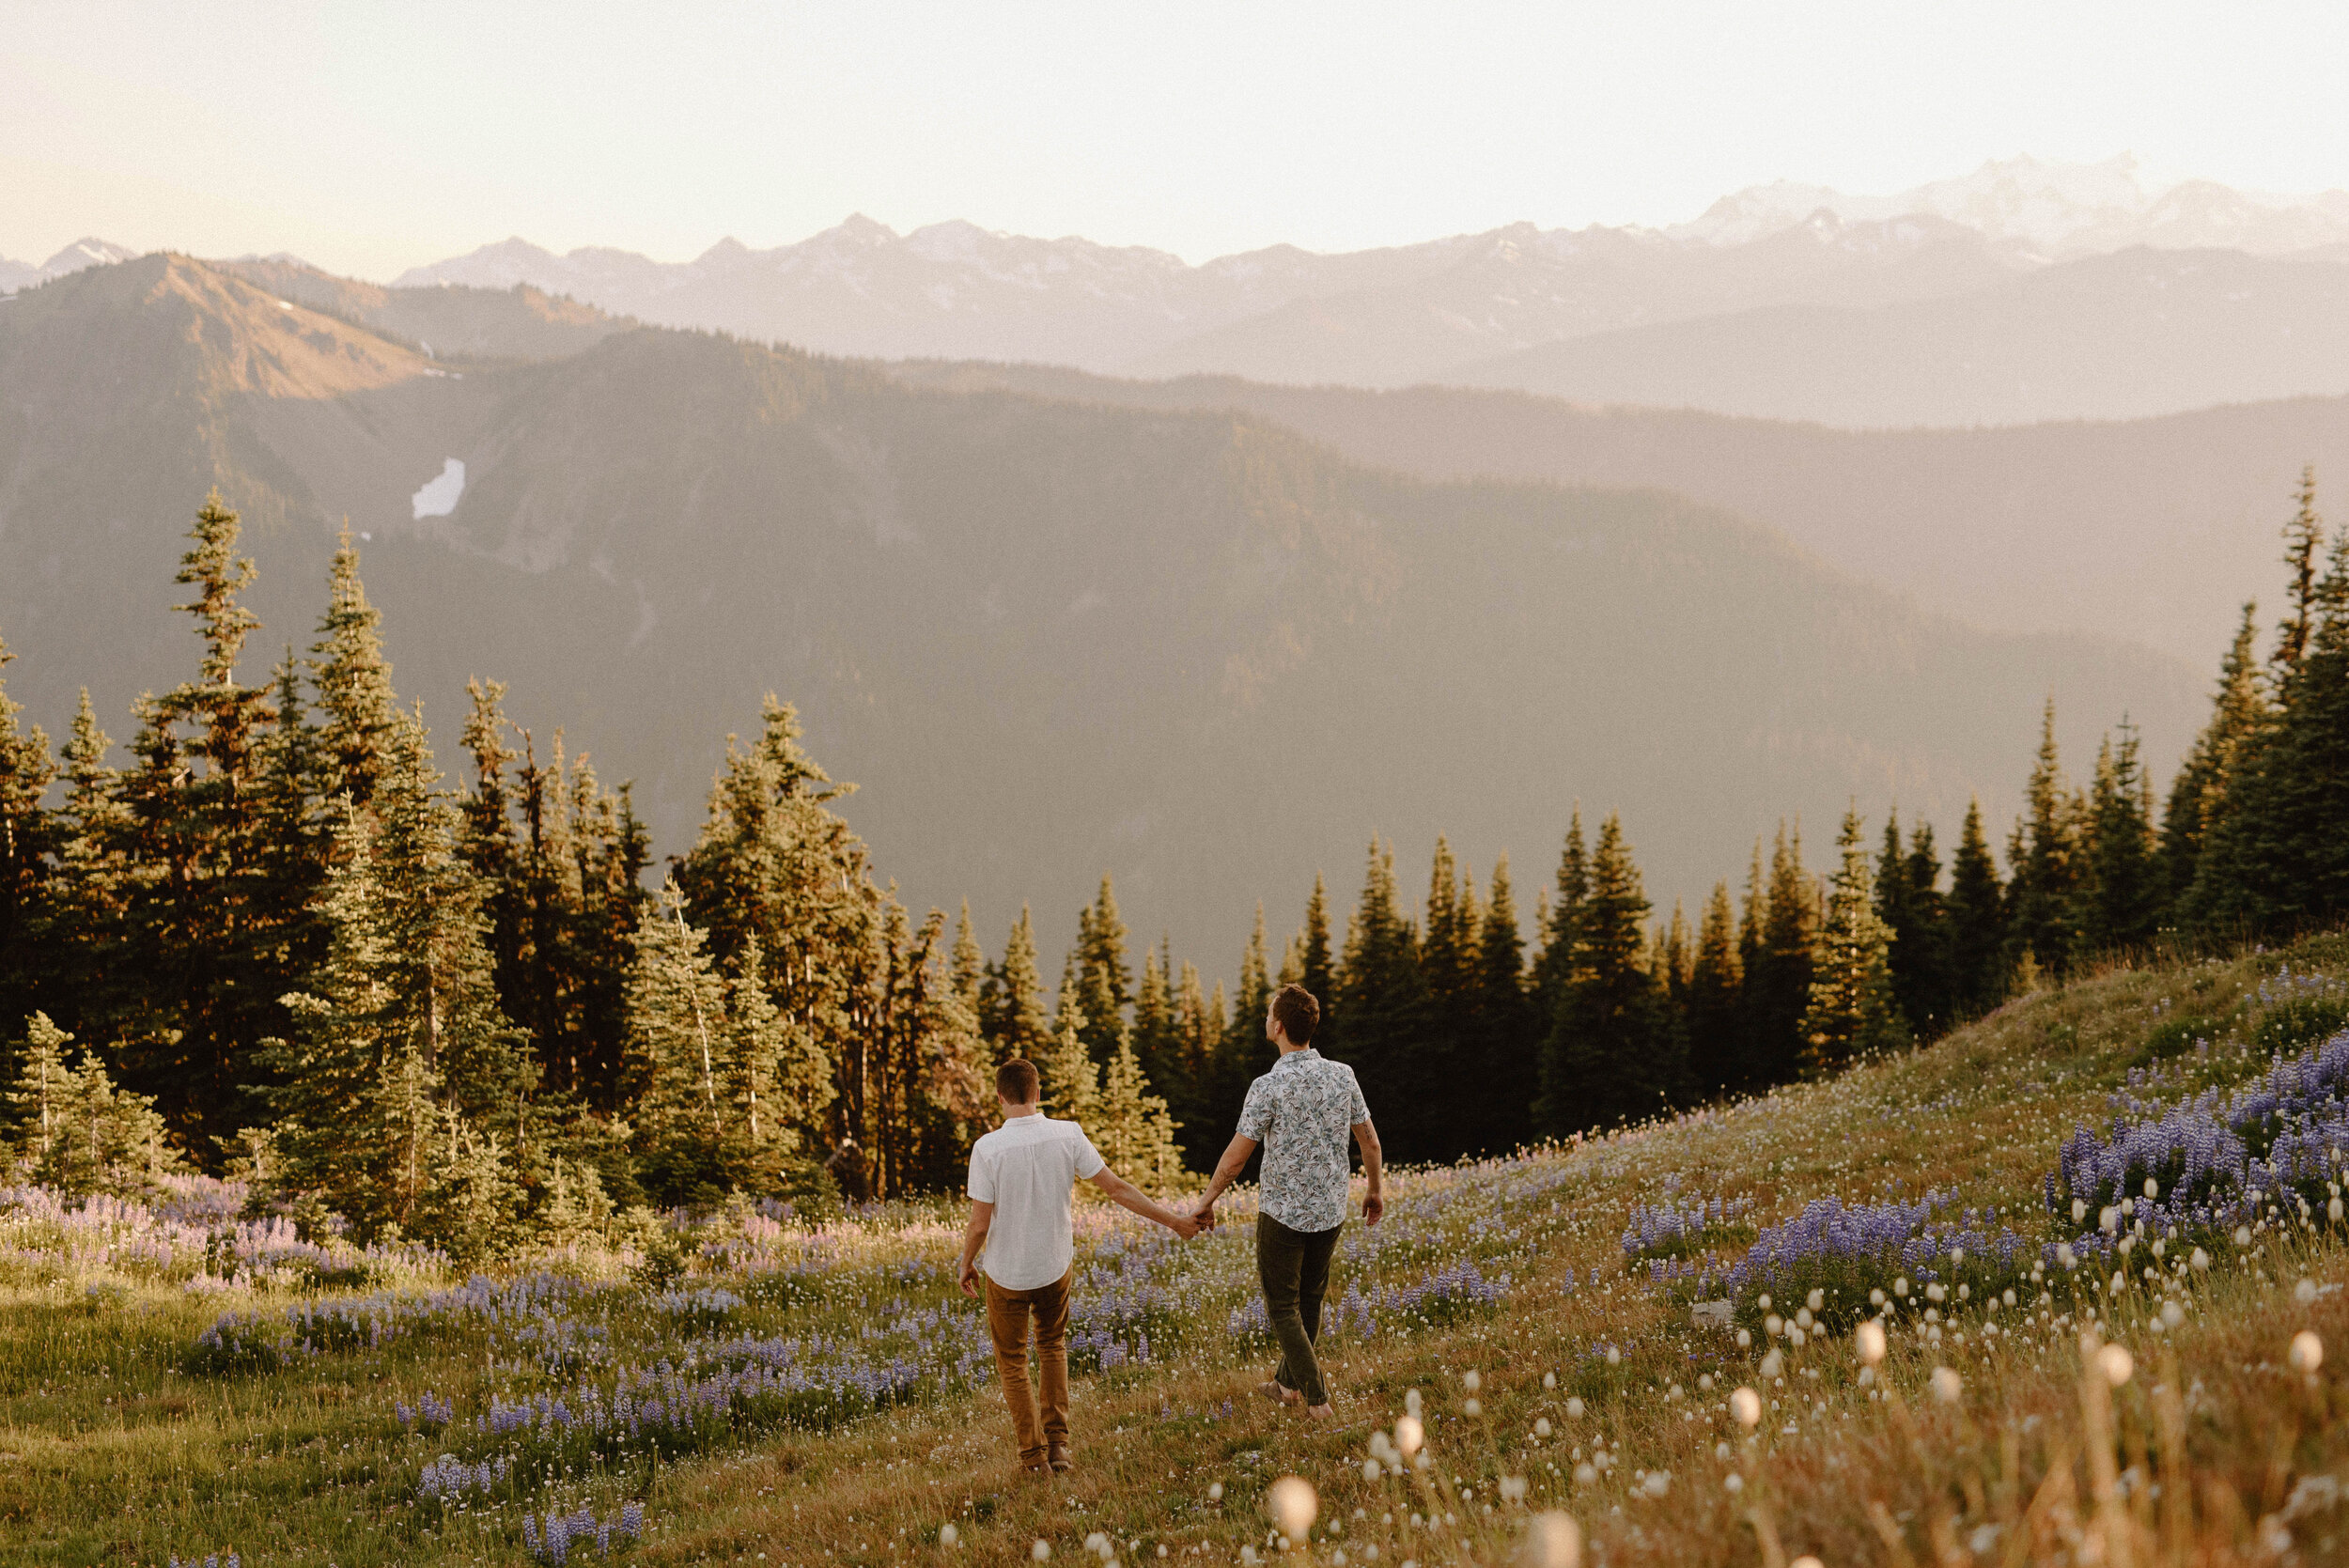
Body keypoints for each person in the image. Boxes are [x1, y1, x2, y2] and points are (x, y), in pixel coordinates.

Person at [958, 1057, 1202, 1474]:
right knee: (1052, 1346)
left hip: (1007, 1273)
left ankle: (1033, 1459)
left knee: (1013, 1362)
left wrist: (965, 1263)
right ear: (1038, 1093)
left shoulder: (987, 1148)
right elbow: (1118, 1189)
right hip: (1054, 1266)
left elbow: (980, 1222)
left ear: (1000, 1097)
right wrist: (1175, 1221)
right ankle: (1059, 1448)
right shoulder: (1067, 1134)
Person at [1192, 983, 1382, 1420]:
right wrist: (1374, 1189)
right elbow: (1369, 1141)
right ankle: (1285, 1385)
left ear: (1278, 1026)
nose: (1265, 1019)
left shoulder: (1268, 1085)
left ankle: (1318, 1400)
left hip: (1282, 1215)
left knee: (1283, 1306)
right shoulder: (1343, 1074)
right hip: (1331, 1208)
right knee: (1310, 1300)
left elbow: (1235, 1159)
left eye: (1267, 1014)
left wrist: (1207, 1200)